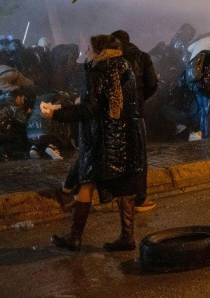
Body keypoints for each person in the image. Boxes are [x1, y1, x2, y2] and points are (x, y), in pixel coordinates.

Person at [45, 34, 143, 252]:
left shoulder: (98, 70)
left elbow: (91, 108)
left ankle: (74, 237)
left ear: (99, 51)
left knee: (86, 180)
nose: (86, 52)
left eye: (89, 48)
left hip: (100, 138)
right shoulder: (126, 67)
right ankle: (127, 237)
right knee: (125, 185)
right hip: (125, 135)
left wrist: (57, 114)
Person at [111, 30, 158, 213]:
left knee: (117, 153)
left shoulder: (109, 59)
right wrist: (138, 98)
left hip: (113, 115)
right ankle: (139, 198)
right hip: (135, 114)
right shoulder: (142, 57)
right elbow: (152, 84)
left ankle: (119, 195)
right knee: (138, 156)